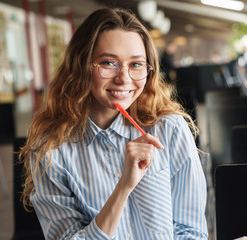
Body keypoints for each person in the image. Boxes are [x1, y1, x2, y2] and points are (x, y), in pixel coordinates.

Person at [19, 8, 208, 240]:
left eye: (136, 64)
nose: (124, 78)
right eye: (108, 63)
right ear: (81, 66)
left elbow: (191, 233)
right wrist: (123, 188)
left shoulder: (170, 129)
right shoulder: (51, 148)